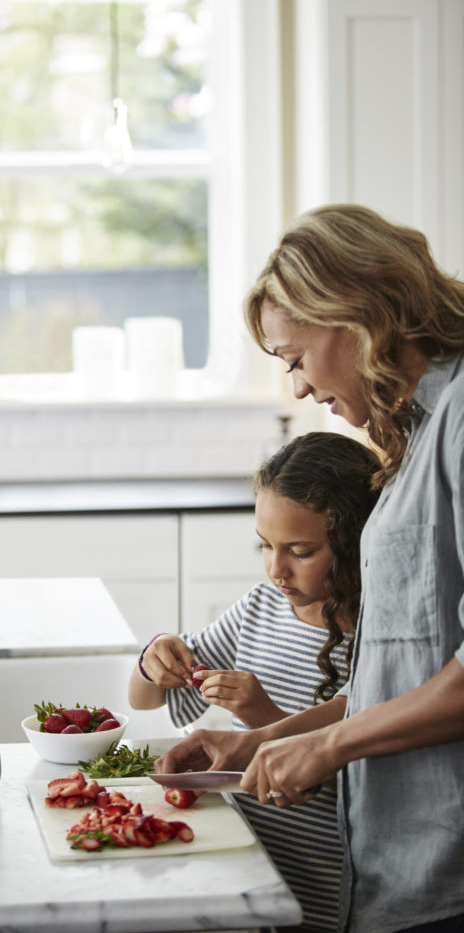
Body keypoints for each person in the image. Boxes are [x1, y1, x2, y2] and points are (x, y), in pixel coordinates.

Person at [155, 204, 464, 933]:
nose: (295, 385)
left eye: (293, 357)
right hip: (396, 859)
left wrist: (325, 746)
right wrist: (266, 739)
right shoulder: (419, 433)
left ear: (354, 317)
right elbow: (403, 674)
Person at [130, 431, 380, 933]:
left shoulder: (380, 633)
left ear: (354, 543)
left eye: (301, 551)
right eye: (265, 546)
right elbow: (144, 699)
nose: (275, 569)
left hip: (333, 880)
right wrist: (151, 661)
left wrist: (263, 718)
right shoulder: (259, 608)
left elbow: (360, 771)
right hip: (251, 861)